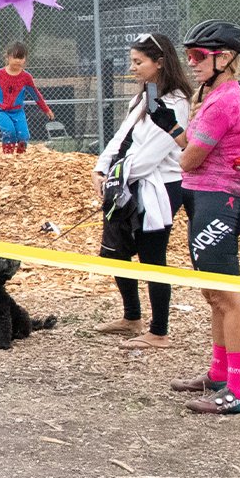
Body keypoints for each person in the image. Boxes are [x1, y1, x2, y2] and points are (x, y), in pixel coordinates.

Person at [163, 20, 240, 415]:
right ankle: (219, 374)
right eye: (189, 56)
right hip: (204, 199)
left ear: (226, 57)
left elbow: (190, 159)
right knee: (212, 295)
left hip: (217, 201)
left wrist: (181, 149)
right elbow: (190, 149)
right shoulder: (211, 94)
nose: (192, 63)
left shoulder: (226, 100)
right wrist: (169, 127)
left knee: (227, 298)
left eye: (199, 56)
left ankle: (237, 391)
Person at [93, 32, 193, 351]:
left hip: (159, 188)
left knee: (152, 256)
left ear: (159, 63)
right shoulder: (144, 95)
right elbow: (123, 135)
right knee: (114, 251)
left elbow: (151, 155)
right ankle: (131, 317)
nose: (132, 68)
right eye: (132, 61)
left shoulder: (176, 101)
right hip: (127, 182)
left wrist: (115, 177)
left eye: (139, 62)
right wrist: (102, 167)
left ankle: (159, 332)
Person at [0, 43, 53, 153]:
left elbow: (36, 94)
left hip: (17, 111)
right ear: (8, 57)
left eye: (21, 58)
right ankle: (8, 157)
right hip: (1, 110)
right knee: (9, 132)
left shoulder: (26, 77)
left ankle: (20, 158)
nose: (18, 61)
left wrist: (46, 109)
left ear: (25, 59)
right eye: (15, 57)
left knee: (23, 136)